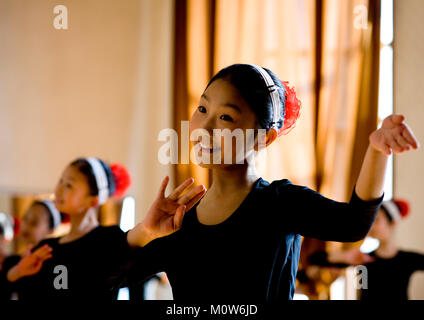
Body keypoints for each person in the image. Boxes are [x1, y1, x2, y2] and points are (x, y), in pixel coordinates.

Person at [120, 64, 419, 301]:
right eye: (202, 109)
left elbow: (352, 223)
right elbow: (106, 280)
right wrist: (143, 231)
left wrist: (378, 151)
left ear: (265, 137)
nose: (204, 127)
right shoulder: (179, 218)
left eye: (225, 117)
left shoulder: (281, 203)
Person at [3, 158, 205, 300]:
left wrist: (146, 229)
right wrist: (17, 272)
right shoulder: (46, 247)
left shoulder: (106, 239)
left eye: (69, 185)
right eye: (60, 181)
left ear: (93, 200)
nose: (58, 189)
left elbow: (117, 258)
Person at [308, 199, 424, 300]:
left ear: (392, 223)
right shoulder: (362, 259)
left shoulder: (407, 259)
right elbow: (315, 259)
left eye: (377, 220)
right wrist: (344, 257)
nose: (371, 226)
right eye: (371, 221)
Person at [0, 200, 61, 299]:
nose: (26, 225)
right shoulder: (11, 261)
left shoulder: (53, 263)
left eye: (34, 222)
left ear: (50, 230)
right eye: (25, 218)